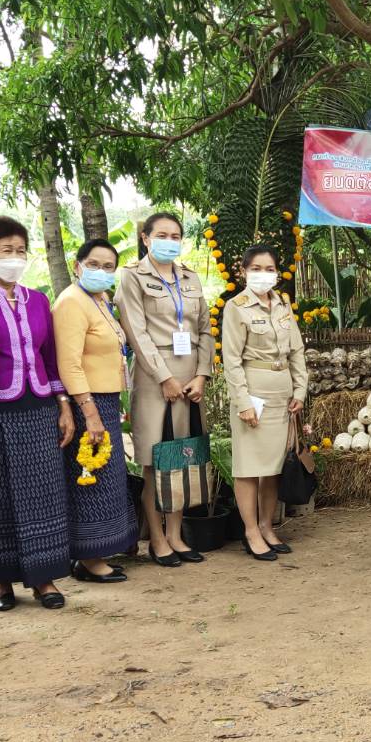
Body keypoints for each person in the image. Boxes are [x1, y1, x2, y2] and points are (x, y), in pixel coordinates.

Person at [0, 216, 74, 612]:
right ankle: (2, 581)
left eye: (21, 250)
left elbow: (49, 357)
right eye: (7, 250)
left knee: (43, 494)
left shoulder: (37, 299)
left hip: (38, 407)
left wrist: (63, 406)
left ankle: (43, 578)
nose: (15, 258)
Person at [116, 212, 214, 567]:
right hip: (154, 378)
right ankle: (157, 539)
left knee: (182, 459)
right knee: (154, 462)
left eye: (175, 235)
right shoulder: (132, 277)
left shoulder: (189, 277)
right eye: (162, 234)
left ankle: (176, 535)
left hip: (190, 380)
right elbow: (136, 332)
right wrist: (164, 377)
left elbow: (204, 330)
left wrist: (202, 375)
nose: (169, 241)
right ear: (145, 238)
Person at [52, 238, 137, 582]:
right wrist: (88, 411)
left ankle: (96, 551)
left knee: (105, 475)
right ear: (77, 265)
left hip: (106, 398)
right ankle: (90, 557)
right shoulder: (72, 302)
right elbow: (69, 363)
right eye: (94, 264)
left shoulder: (100, 300)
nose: (101, 271)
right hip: (87, 400)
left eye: (108, 266)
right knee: (92, 476)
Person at [221, 245, 308, 561]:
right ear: (243, 271)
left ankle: (267, 525)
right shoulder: (237, 307)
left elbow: (296, 351)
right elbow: (231, 360)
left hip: (281, 394)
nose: (263, 274)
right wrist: (242, 401)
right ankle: (251, 532)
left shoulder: (283, 304)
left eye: (269, 268)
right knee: (248, 466)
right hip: (253, 392)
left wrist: (299, 392)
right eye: (256, 268)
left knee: (272, 466)